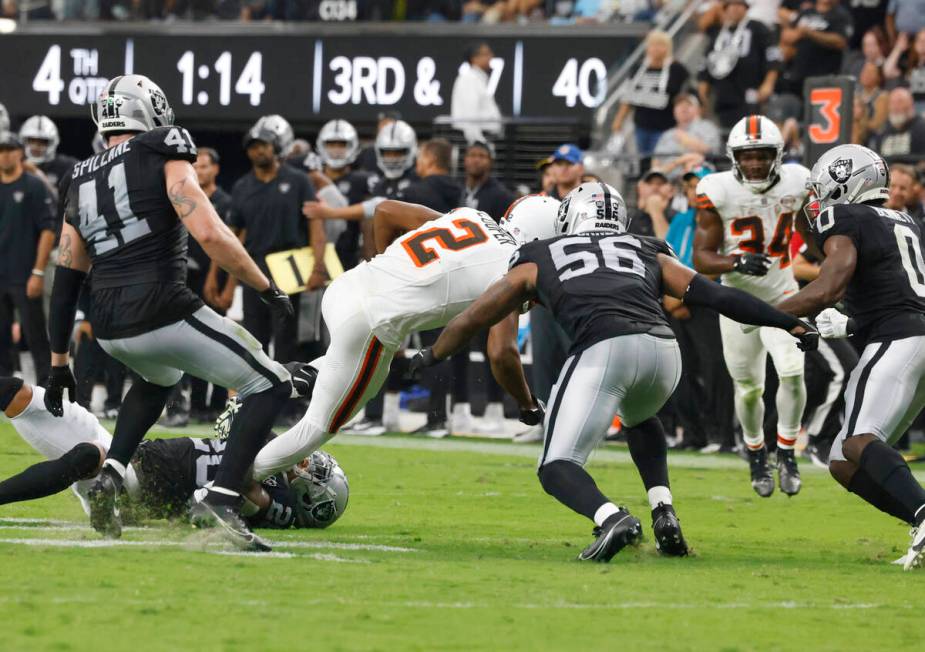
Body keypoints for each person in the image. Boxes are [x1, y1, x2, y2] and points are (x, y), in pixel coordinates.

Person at [413, 181, 817, 562]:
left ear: (570, 216)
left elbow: (473, 318)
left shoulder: (538, 254)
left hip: (605, 347)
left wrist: (430, 356)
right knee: (641, 418)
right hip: (664, 351)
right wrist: (787, 321)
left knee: (557, 467)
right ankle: (664, 510)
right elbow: (717, 295)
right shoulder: (646, 248)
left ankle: (610, 517)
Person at [45, 74, 295, 551]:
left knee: (158, 379)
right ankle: (221, 499)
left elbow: (67, 275)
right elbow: (210, 233)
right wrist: (265, 286)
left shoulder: (78, 175)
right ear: (150, 110)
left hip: (110, 323)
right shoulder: (163, 147)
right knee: (270, 382)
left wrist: (59, 362)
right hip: (160, 305)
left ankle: (112, 477)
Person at [251, 196, 561, 483]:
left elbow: (385, 210)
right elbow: (502, 352)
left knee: (366, 375)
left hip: (347, 287)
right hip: (369, 321)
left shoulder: (471, 215)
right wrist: (527, 404)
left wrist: (385, 268)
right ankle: (233, 483)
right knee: (321, 425)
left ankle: (286, 381)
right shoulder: (513, 264)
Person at [775, 144, 925, 570]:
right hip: (910, 334)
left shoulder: (846, 217)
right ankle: (919, 515)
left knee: (861, 439)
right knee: (843, 460)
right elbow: (888, 285)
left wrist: (769, 313)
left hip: (897, 339)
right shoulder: (904, 219)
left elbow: (828, 287)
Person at [0, 375, 347, 530]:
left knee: (89, 458)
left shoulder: (281, 503)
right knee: (26, 397)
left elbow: (248, 494)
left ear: (312, 498)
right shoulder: (273, 452)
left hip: (150, 483)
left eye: (313, 471)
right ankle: (105, 487)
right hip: (140, 455)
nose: (305, 462)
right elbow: (234, 418)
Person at [693, 114, 811, 498]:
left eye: (762, 154)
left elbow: (810, 230)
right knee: (748, 390)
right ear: (734, 158)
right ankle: (756, 451)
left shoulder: (798, 180)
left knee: (793, 372)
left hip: (784, 297)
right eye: (748, 156)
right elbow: (701, 258)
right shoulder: (717, 190)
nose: (755, 162)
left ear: (777, 155)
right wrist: (736, 262)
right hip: (737, 301)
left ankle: (787, 451)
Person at [225, 116, 328, 370]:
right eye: (252, 146)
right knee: (253, 338)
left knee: (288, 338)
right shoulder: (241, 187)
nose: (258, 150)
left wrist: (318, 267)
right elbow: (233, 238)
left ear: (275, 147)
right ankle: (257, 399)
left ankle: (286, 401)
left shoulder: (299, 180)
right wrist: (227, 282)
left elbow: (316, 225)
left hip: (290, 266)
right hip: (254, 268)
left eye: (263, 145)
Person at [162, 147, 234, 427]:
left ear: (215, 169)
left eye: (205, 166)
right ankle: (187, 406)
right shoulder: (181, 198)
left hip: (212, 281)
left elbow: (229, 241)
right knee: (184, 346)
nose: (200, 171)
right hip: (182, 281)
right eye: (197, 166)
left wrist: (223, 282)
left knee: (215, 343)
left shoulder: (225, 202)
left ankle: (215, 405)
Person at [0, 130, 55, 387]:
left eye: (9, 150)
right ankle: (5, 390)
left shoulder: (33, 186)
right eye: (0, 150)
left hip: (24, 273)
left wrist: (38, 271)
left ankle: (47, 388)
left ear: (20, 153)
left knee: (35, 335)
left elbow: (47, 229)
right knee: (1, 336)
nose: (4, 155)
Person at [698, 0, 782, 131]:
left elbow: (773, 57)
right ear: (725, 9)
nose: (734, 9)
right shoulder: (718, 33)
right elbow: (706, 64)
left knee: (752, 137)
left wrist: (768, 84)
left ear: (746, 8)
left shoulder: (758, 27)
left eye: (738, 5)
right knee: (728, 139)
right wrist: (702, 94)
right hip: (723, 98)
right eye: (730, 5)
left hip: (751, 96)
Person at [611, 30, 691, 157]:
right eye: (652, 45)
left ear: (668, 47)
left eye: (660, 45)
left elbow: (685, 97)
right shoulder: (638, 69)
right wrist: (619, 119)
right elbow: (628, 97)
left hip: (666, 125)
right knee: (643, 159)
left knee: (661, 158)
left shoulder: (677, 69)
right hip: (641, 124)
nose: (655, 49)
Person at [313, 119, 377, 270]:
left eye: (342, 144)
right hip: (310, 257)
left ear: (353, 146)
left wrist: (370, 261)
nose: (336, 150)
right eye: (331, 144)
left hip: (348, 258)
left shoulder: (363, 181)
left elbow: (369, 226)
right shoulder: (308, 180)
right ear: (322, 145)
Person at [777, 0, 853, 99]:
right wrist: (800, 33)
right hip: (799, 76)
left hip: (824, 78)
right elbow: (786, 36)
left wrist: (811, 33)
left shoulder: (840, 15)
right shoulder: (807, 13)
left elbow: (840, 41)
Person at [652, 94, 721, 177]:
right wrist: (655, 174)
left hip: (696, 174)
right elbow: (656, 159)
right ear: (674, 111)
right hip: (667, 179)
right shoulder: (667, 134)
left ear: (698, 110)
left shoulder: (707, 127)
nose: (683, 108)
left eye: (689, 105)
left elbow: (711, 151)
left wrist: (686, 140)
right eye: (679, 105)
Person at [451, 42, 503, 144]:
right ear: (474, 58)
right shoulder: (469, 79)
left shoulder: (478, 79)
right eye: (486, 54)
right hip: (476, 140)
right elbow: (470, 115)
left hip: (485, 138)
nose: (491, 57)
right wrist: (478, 143)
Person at [460, 141, 516, 222]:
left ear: (491, 162)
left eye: (482, 156)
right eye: (472, 155)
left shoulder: (501, 196)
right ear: (465, 160)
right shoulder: (456, 190)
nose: (476, 160)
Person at [18, 115, 78, 191]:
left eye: (42, 141)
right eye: (31, 141)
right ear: (23, 141)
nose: (36, 146)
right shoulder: (14, 164)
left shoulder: (67, 166)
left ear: (53, 142)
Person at [869, 87, 925, 165]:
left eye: (900, 102)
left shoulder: (922, 128)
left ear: (911, 104)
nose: (895, 107)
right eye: (892, 103)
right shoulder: (883, 131)